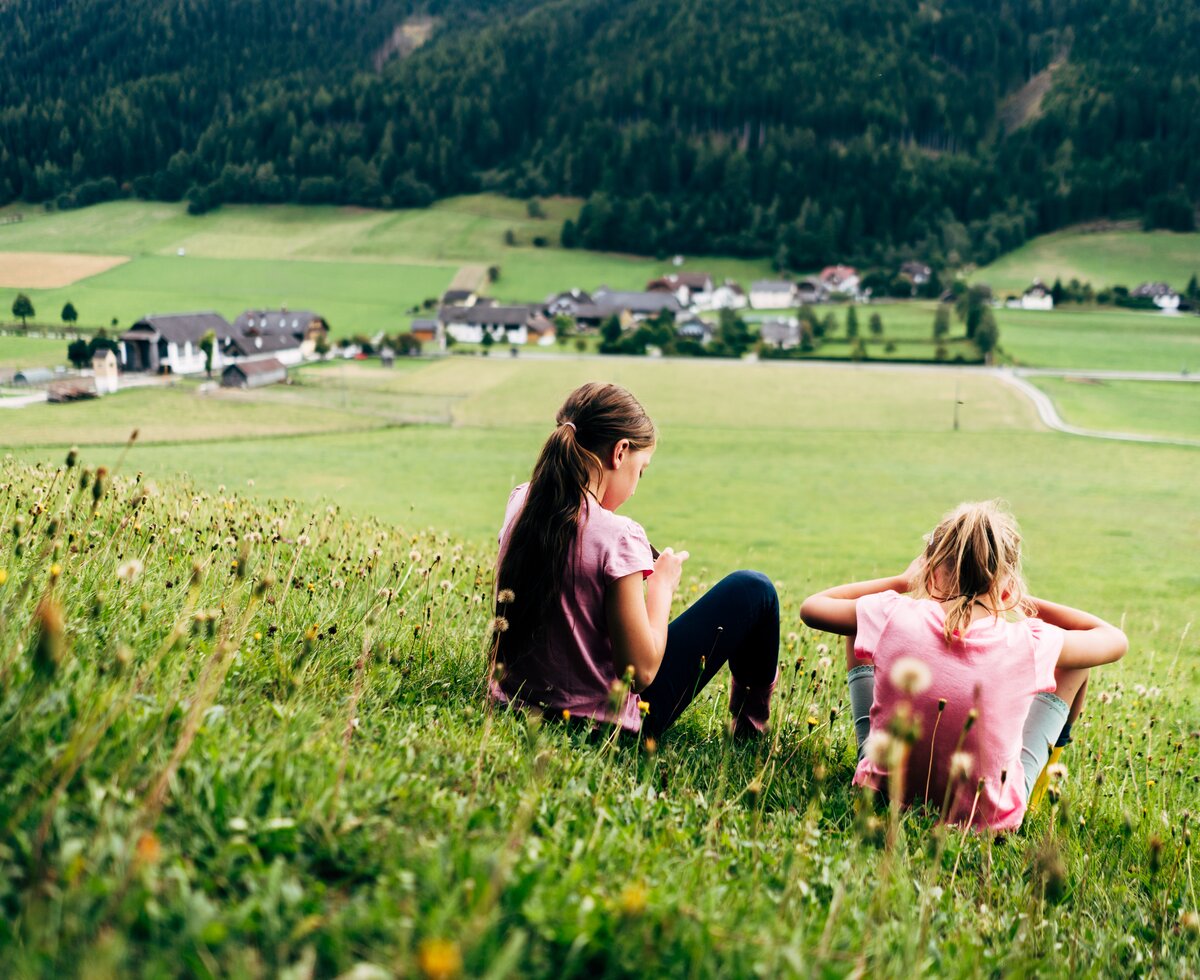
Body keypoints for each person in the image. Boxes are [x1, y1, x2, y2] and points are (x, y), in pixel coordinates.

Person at [799, 501, 1127, 830]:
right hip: (986, 818)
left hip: (885, 794)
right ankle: (1040, 785)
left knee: (861, 621)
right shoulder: (1029, 641)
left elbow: (813, 607)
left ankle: (870, 761)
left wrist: (902, 581)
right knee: (1075, 661)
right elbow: (1114, 639)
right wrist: (1018, 599)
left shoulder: (892, 612)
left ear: (931, 570)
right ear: (1006, 586)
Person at [490, 382, 780, 739]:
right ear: (620, 452)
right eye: (640, 470)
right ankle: (749, 731)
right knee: (753, 590)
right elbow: (640, 671)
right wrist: (661, 585)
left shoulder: (521, 502)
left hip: (514, 700)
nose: (636, 483)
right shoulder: (619, 536)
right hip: (603, 722)